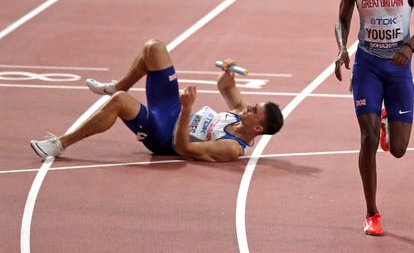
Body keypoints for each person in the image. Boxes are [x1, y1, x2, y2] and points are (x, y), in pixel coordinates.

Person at [334, 0, 414, 236]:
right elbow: (341, 19)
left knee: (400, 149)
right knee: (367, 137)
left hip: (399, 66)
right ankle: (371, 213)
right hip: (368, 66)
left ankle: (388, 119)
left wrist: (410, 45)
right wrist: (341, 48)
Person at [30, 38, 283, 162]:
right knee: (155, 47)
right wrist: (229, 70)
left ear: (257, 128)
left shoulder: (231, 148)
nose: (249, 106)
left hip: (164, 136)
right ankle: (117, 84)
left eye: (254, 110)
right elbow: (226, 87)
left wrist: (186, 110)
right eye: (254, 105)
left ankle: (60, 143)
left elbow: (184, 149)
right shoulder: (239, 114)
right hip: (172, 109)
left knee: (120, 101)